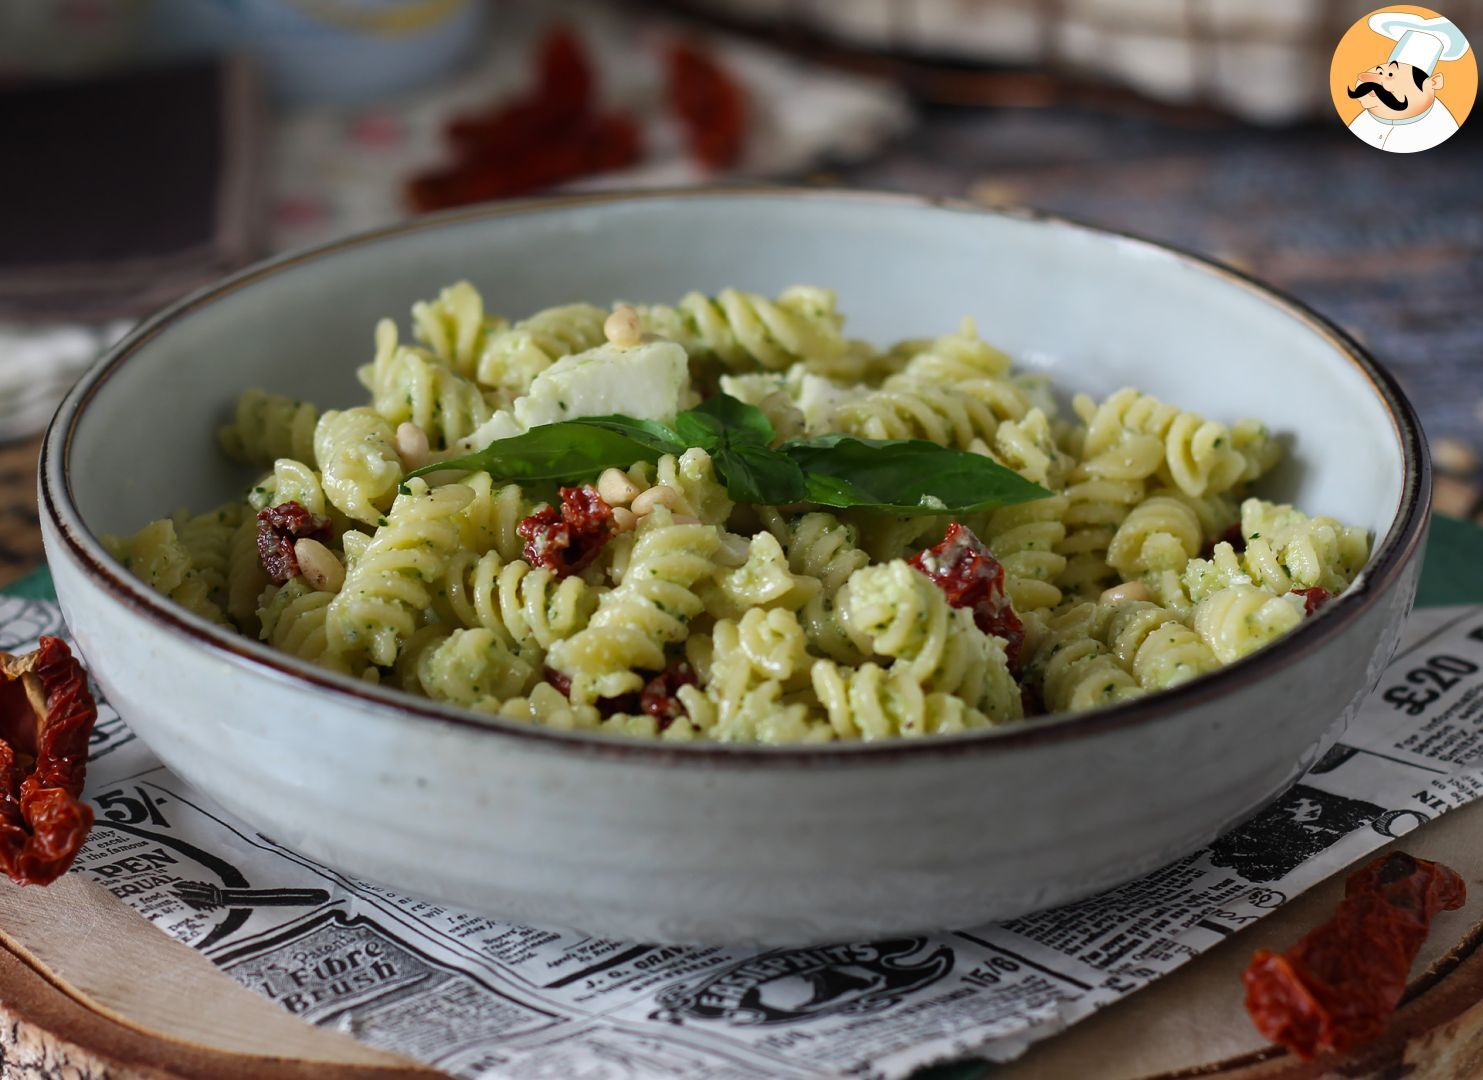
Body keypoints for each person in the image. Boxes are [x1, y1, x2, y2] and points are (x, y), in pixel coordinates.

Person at [1347, 12, 1470, 153]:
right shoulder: (1363, 119)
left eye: (1391, 75)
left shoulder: (1439, 129)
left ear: (1434, 83)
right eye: (1380, 72)